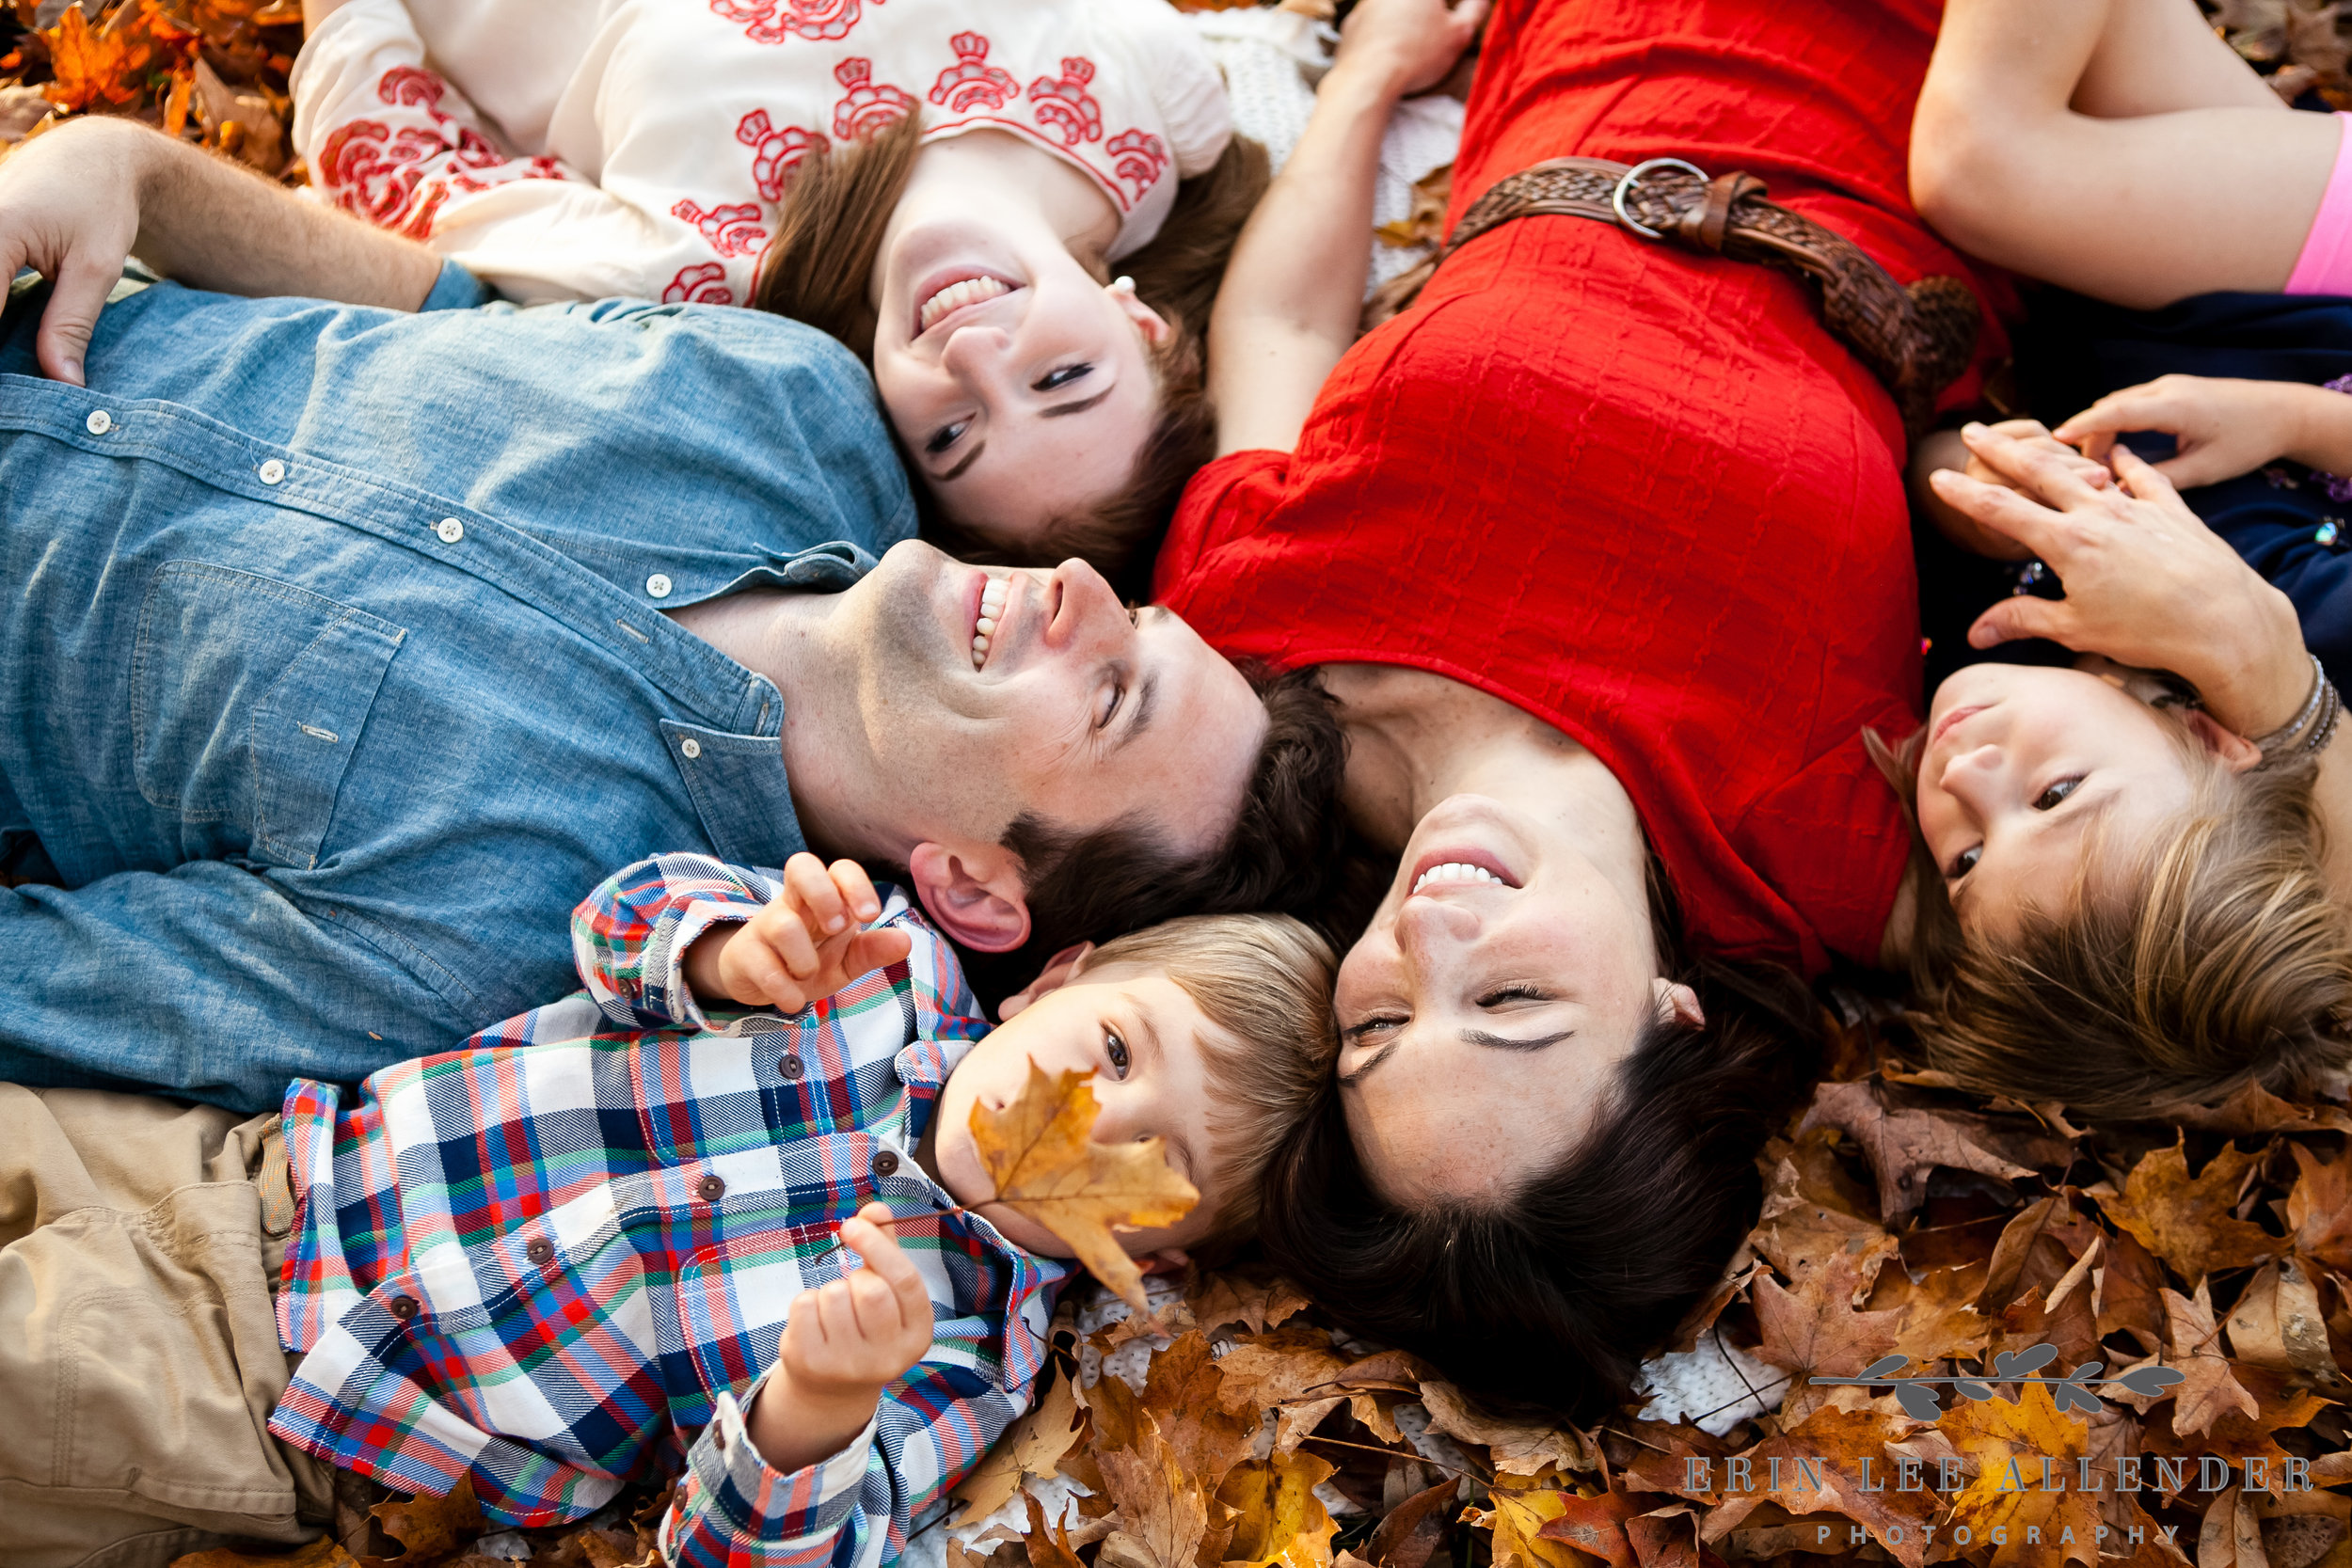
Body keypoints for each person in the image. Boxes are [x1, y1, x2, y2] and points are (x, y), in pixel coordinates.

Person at [0, 117, 1347, 1112]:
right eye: (1142, 615)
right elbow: (423, 302)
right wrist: (127, 168)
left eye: (1111, 693)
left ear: (976, 890)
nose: (1083, 596)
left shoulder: (512, 941)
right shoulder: (795, 396)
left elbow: (44, 981)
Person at [1154, 0, 2003, 1417]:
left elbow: (1286, 324)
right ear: (1673, 1020)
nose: (1427, 936)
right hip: (1946, 77)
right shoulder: (1827, 846)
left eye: (1375, 1029)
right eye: (1512, 998)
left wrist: (1370, 73)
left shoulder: (1262, 660)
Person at [0, 848, 1339, 1568]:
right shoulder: (869, 964)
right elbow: (610, 919)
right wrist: (726, 947)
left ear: (1152, 1255)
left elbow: (762, 1554)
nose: (1095, 1119)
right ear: (1056, 980)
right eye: (1115, 1051)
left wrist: (813, 1404)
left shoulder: (960, 1351)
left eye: (1153, 1153)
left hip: (284, 1387)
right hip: (258, 1165)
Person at [289, 0, 1268, 574]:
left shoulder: (701, 278)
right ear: (1137, 322)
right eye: (1060, 378)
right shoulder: (1159, 105)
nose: (972, 354)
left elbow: (392, 159)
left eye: (952, 434)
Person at [1873, 0, 2352, 1115]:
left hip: (2161, 294)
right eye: (2054, 792)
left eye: (1967, 862)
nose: (1969, 780)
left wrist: (1974, 501)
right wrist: (2287, 420)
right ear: (2212, 736)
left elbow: (1939, 457)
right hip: (2315, 305)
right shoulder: (2324, 626)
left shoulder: (2010, 635)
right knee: (1975, 163)